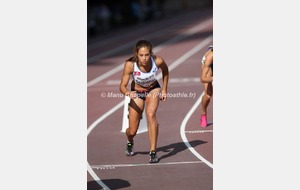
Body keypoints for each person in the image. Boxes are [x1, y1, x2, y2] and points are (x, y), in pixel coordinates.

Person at [119, 40, 169, 163]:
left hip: (153, 89)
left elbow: (165, 71)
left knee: (151, 115)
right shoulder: (130, 64)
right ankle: (130, 141)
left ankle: (153, 152)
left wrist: (164, 89)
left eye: (147, 55)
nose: (144, 58)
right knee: (132, 130)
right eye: (141, 55)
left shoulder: (158, 61)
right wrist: (128, 93)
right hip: (137, 93)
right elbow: (122, 86)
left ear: (150, 53)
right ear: (137, 54)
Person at [200, 45, 213, 127]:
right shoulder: (210, 57)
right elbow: (203, 79)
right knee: (208, 95)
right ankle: (203, 113)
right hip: (210, 66)